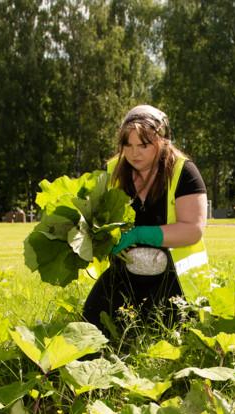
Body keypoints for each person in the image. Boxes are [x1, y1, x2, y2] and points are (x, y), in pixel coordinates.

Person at [82, 104, 208, 339]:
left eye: (143, 144)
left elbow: (193, 230)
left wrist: (139, 234)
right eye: (127, 145)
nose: (134, 153)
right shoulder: (111, 171)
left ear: (163, 141)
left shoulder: (184, 171)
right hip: (124, 275)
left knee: (168, 338)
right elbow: (93, 220)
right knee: (89, 331)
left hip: (174, 279)